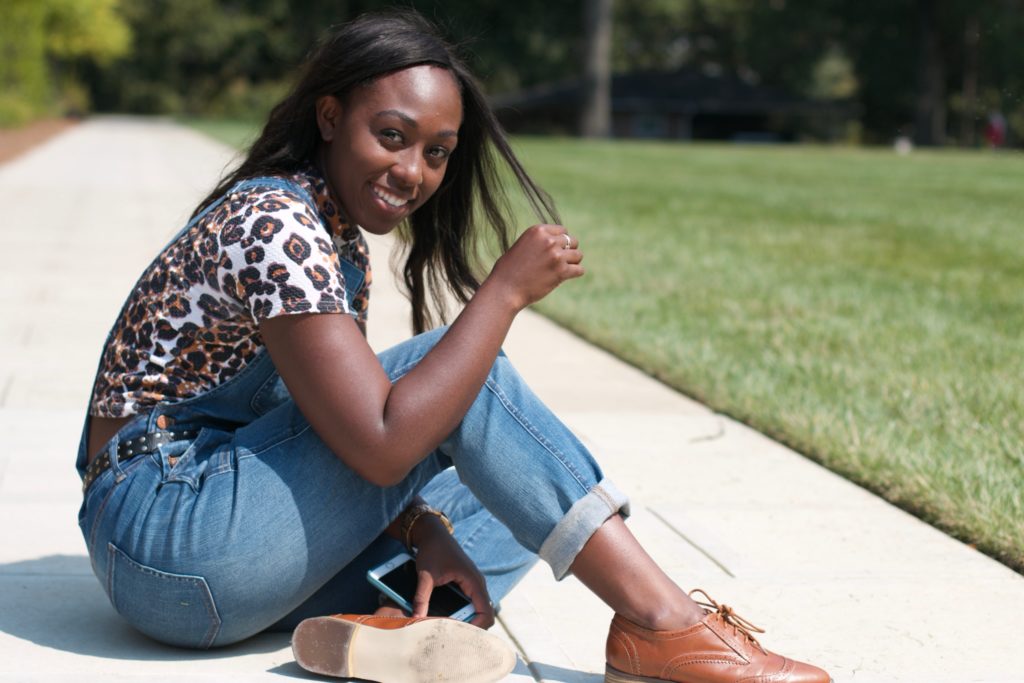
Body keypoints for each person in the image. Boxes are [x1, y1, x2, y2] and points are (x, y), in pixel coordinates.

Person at [76, 10, 832, 683]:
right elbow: (377, 445)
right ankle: (663, 628)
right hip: (167, 537)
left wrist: (425, 527)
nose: (413, 172)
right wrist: (501, 295)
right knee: (472, 385)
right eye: (393, 136)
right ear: (332, 115)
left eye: (437, 152)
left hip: (208, 559)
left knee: (507, 488)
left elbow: (338, 433)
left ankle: (392, 622)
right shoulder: (277, 223)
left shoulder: (330, 235)